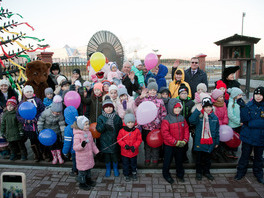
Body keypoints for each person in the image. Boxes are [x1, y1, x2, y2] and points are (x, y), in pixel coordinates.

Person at [235, 87, 264, 184]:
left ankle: (259, 174)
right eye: (256, 94)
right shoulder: (248, 105)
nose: (258, 96)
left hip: (260, 137)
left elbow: (259, 123)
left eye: (260, 94)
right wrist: (242, 107)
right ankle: (240, 172)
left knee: (258, 157)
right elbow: (244, 119)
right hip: (248, 137)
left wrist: (251, 124)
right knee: (245, 156)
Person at [135, 78, 167, 167]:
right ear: (148, 91)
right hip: (146, 127)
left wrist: (162, 123)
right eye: (151, 90)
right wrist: (141, 96)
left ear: (156, 91)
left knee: (156, 145)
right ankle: (147, 159)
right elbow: (136, 103)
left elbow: (163, 113)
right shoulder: (144, 99)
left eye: (154, 90)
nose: (152, 92)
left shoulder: (160, 101)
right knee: (147, 145)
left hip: (156, 127)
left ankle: (155, 160)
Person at [189, 97, 219, 181]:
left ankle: (207, 172)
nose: (208, 109)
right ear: (203, 107)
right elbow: (191, 120)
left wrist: (216, 141)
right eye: (206, 107)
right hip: (200, 142)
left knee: (207, 159)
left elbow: (217, 131)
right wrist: (197, 111)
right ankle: (198, 172)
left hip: (210, 142)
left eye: (209, 107)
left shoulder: (214, 118)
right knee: (198, 159)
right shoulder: (199, 117)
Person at [161, 98, 189, 184]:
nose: (177, 110)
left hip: (180, 144)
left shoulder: (182, 118)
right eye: (175, 108)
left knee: (179, 160)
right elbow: (165, 133)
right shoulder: (166, 119)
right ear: (170, 108)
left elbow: (186, 129)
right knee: (167, 160)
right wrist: (174, 142)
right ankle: (166, 174)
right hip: (170, 145)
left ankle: (180, 174)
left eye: (179, 108)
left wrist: (185, 140)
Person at [16, 85, 45, 162]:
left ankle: (43, 154)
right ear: (24, 93)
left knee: (39, 140)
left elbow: (42, 111)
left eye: (30, 91)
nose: (29, 93)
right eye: (27, 92)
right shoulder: (21, 103)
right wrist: (25, 120)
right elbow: (18, 115)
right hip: (27, 127)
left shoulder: (38, 101)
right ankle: (36, 155)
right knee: (32, 141)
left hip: (37, 125)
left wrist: (36, 119)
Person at [96, 98, 123, 177]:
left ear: (113, 107)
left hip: (114, 141)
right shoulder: (101, 118)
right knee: (107, 157)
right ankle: (108, 169)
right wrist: (104, 125)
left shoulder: (117, 117)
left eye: (110, 107)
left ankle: (115, 168)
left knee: (115, 156)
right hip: (105, 141)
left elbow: (120, 128)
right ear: (103, 108)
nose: (109, 109)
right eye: (106, 107)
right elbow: (99, 129)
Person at [73, 116, 99, 191]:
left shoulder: (89, 133)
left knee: (88, 170)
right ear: (81, 125)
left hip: (89, 156)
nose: (88, 126)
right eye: (85, 124)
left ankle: (88, 180)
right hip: (81, 158)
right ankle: (82, 183)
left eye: (88, 124)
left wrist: (97, 151)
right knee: (82, 172)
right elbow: (75, 147)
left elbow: (92, 144)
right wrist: (81, 145)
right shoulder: (77, 135)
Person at [37, 95, 66, 164]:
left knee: (57, 144)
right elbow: (40, 121)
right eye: (57, 112)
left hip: (56, 131)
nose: (58, 113)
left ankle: (59, 156)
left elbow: (62, 124)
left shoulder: (60, 115)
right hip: (47, 132)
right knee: (51, 146)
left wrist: (63, 133)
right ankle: (54, 157)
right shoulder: (46, 113)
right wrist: (40, 131)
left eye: (59, 112)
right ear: (53, 110)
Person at [117, 109, 142, 182]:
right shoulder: (122, 131)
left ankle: (134, 173)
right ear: (125, 122)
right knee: (126, 164)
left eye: (132, 122)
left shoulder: (136, 131)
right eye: (128, 122)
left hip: (134, 152)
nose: (130, 124)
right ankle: (126, 174)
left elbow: (139, 140)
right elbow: (119, 139)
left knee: (133, 163)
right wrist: (124, 146)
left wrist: (135, 146)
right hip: (125, 152)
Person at [1, 97, 27, 161]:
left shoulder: (16, 114)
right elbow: (3, 124)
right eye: (8, 106)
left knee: (20, 145)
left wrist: (21, 131)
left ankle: (23, 155)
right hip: (9, 133)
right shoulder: (5, 115)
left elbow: (19, 124)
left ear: (14, 107)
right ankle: (13, 154)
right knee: (12, 146)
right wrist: (2, 132)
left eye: (11, 106)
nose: (9, 107)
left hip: (16, 132)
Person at [176, 84, 195, 163]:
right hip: (178, 125)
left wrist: (192, 125)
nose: (184, 95)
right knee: (179, 139)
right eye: (182, 93)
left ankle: (185, 155)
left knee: (186, 140)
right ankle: (179, 155)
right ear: (179, 94)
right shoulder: (176, 101)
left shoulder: (191, 102)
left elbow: (193, 114)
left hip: (188, 124)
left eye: (185, 93)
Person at [226, 87, 244, 158]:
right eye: (239, 95)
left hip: (239, 125)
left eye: (241, 95)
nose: (241, 96)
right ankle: (230, 151)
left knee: (237, 138)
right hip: (233, 125)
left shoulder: (240, 102)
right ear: (234, 95)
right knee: (232, 139)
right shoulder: (231, 104)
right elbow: (230, 115)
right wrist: (238, 121)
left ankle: (234, 151)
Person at [62, 106, 79, 176]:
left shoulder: (68, 128)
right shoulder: (80, 124)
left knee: (75, 161)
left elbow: (67, 142)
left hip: (74, 149)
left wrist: (65, 152)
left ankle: (75, 171)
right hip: (81, 148)